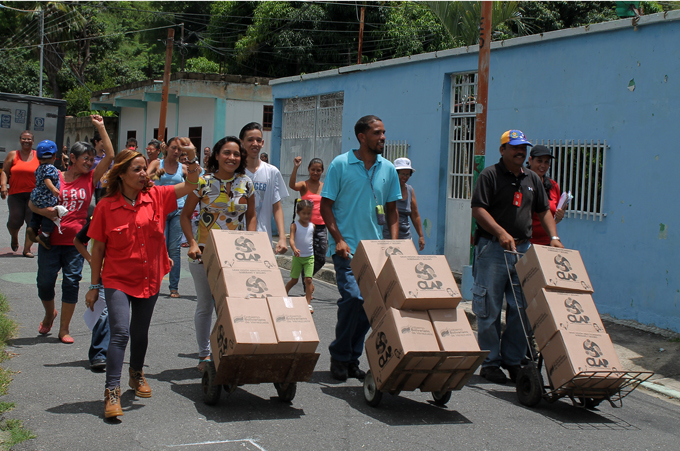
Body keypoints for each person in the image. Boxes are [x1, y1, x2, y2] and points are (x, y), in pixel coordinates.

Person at [86, 138, 200, 419]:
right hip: (117, 279)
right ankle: (111, 390)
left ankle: (136, 373)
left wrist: (193, 158)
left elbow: (192, 185)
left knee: (139, 333)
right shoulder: (105, 207)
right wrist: (93, 285)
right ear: (121, 174)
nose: (143, 173)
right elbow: (98, 247)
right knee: (121, 332)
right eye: (136, 169)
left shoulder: (158, 196)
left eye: (143, 169)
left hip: (149, 277)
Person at [470, 129, 564, 385]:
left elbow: (544, 210)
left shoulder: (531, 177)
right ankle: (489, 362)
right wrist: (500, 232)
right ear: (503, 150)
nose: (520, 152)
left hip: (523, 250)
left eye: (523, 148)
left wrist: (553, 237)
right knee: (489, 307)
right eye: (515, 147)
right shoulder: (490, 175)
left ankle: (512, 360)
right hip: (492, 249)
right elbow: (478, 209)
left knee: (522, 308)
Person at [320, 115, 400, 381]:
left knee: (371, 305)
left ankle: (351, 358)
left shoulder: (388, 168)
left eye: (384, 132)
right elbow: (326, 206)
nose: (383, 137)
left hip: (377, 250)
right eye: (377, 133)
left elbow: (392, 211)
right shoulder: (340, 164)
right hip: (347, 249)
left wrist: (394, 244)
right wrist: (338, 239)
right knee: (353, 298)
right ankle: (340, 354)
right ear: (362, 137)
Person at [28, 116, 114, 344]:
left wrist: (101, 127)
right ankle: (49, 313)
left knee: (71, 283)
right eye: (86, 159)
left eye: (92, 159)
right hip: (49, 241)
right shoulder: (53, 176)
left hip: (76, 244)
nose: (89, 163)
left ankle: (63, 329)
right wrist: (47, 213)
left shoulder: (90, 179)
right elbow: (32, 203)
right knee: (44, 282)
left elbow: (111, 156)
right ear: (72, 158)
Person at [180, 136, 256, 372]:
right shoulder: (203, 182)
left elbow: (251, 216)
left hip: (237, 256)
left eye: (236, 154)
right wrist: (192, 243)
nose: (231, 158)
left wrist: (252, 242)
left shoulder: (246, 183)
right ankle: (204, 355)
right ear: (216, 155)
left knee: (233, 306)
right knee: (205, 305)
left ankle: (228, 350)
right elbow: (185, 215)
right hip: (204, 254)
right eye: (226, 153)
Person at [240, 122, 289, 254]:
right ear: (242, 142)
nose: (254, 143)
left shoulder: (272, 172)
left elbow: (277, 207)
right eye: (250, 140)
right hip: (237, 238)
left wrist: (282, 238)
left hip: (263, 239)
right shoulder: (235, 172)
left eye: (258, 140)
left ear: (262, 143)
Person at [148, 138, 187, 298]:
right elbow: (144, 177)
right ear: (166, 149)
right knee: (159, 246)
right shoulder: (158, 164)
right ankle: (155, 282)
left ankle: (173, 287)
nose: (176, 152)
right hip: (159, 209)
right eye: (173, 148)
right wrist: (155, 175)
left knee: (175, 248)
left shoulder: (182, 168)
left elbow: (197, 177)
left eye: (179, 149)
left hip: (178, 209)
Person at [73, 217, 108, 371]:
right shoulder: (99, 218)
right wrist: (90, 259)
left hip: (126, 273)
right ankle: (99, 353)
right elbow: (78, 241)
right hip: (102, 274)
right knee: (103, 312)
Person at [1, 130, 39, 258]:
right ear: (20, 140)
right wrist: (3, 187)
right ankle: (14, 237)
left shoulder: (38, 155)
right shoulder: (13, 155)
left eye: (29, 139)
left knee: (31, 221)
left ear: (33, 141)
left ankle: (26, 249)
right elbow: (5, 171)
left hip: (33, 194)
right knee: (15, 219)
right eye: (24, 139)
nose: (26, 141)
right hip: (15, 194)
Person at [289, 156, 327, 274]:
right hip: (306, 226)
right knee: (305, 255)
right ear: (308, 169)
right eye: (313, 170)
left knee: (321, 258)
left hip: (321, 227)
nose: (315, 172)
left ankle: (306, 275)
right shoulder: (304, 185)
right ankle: (308, 284)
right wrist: (296, 168)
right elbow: (292, 185)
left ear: (322, 171)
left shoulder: (325, 186)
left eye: (318, 170)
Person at [381, 157, 425, 251]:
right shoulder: (385, 189)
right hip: (386, 238)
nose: (405, 177)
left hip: (405, 238)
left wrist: (420, 236)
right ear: (394, 173)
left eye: (408, 175)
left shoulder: (409, 190)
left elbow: (415, 215)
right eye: (402, 174)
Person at [26, 140, 63, 249]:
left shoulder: (39, 168)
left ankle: (33, 227)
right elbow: (47, 179)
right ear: (54, 156)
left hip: (37, 195)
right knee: (50, 214)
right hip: (47, 196)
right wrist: (53, 189)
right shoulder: (50, 168)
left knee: (38, 213)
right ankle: (45, 234)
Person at [527, 145, 565, 246]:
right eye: (539, 161)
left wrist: (559, 217)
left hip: (547, 243)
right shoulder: (522, 183)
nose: (543, 165)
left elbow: (551, 217)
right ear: (530, 160)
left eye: (546, 162)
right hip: (525, 244)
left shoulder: (553, 186)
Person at [286, 200, 315, 312]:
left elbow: (310, 240)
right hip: (297, 258)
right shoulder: (294, 226)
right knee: (294, 280)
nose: (306, 216)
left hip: (309, 257)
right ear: (298, 212)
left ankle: (308, 303)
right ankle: (284, 294)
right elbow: (292, 240)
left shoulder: (313, 226)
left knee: (308, 280)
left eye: (309, 213)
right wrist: (294, 249)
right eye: (304, 213)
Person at [91, 133, 111, 204]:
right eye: (102, 142)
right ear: (96, 142)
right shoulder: (91, 155)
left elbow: (111, 169)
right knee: (91, 206)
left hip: (102, 185)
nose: (104, 144)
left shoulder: (107, 156)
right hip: (91, 184)